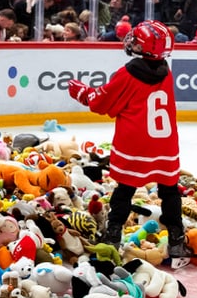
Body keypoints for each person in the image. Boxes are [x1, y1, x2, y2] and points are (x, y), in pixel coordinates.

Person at [67, 20, 190, 265]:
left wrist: (80, 90)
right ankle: (177, 240)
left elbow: (101, 103)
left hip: (135, 144)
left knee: (125, 190)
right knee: (169, 191)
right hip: (165, 144)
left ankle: (112, 234)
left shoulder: (129, 72)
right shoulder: (165, 70)